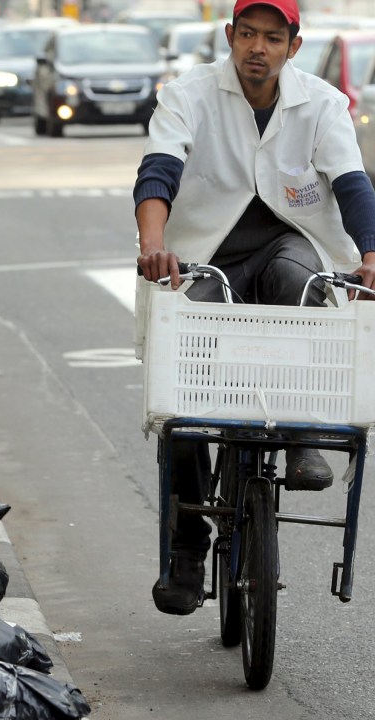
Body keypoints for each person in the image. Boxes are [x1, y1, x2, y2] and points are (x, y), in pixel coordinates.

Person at [135, 0, 375, 616]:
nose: (257, 48)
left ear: (293, 45)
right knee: (183, 392)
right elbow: (159, 172)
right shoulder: (187, 94)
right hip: (204, 253)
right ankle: (188, 546)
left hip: (285, 244)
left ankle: (297, 432)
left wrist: (371, 253)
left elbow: (351, 183)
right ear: (230, 37)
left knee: (301, 281)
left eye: (272, 37)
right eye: (247, 34)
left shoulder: (323, 103)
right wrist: (154, 246)